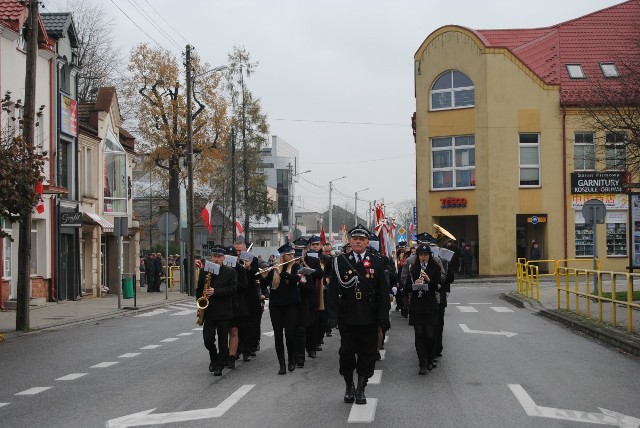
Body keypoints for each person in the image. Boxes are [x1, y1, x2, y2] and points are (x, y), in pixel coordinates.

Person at [327, 224, 390, 405]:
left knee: (367, 353)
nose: (358, 242)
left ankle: (361, 389)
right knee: (346, 353)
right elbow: (332, 290)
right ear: (350, 241)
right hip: (347, 315)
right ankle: (349, 385)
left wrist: (383, 317)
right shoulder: (340, 261)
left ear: (367, 242)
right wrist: (331, 313)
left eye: (361, 239)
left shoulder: (377, 261)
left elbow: (383, 293)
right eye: (355, 239)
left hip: (369, 315)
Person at [196, 245, 238, 376]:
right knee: (208, 339)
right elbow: (199, 290)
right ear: (211, 257)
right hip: (209, 311)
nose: (216, 259)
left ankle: (219, 365)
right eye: (214, 256)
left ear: (224, 258)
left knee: (222, 340)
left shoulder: (231, 272)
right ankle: (214, 357)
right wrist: (199, 304)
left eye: (219, 257)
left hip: (224, 311)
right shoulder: (205, 271)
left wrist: (216, 291)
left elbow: (233, 290)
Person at [405, 244, 441, 375]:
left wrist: (428, 280)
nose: (423, 257)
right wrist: (415, 284)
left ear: (429, 255)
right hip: (417, 306)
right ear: (418, 256)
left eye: (426, 255)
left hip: (430, 305)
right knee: (419, 334)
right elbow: (406, 287)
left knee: (430, 335)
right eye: (421, 255)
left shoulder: (435, 267)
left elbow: (438, 286)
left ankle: (431, 358)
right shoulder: (413, 268)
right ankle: (422, 362)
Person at [269, 243, 303, 374]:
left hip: (291, 304)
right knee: (278, 335)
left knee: (289, 333)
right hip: (276, 305)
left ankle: (292, 359)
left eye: (292, 254)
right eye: (289, 254)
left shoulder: (295, 266)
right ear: (283, 256)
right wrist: (265, 275)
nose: (292, 256)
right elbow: (265, 283)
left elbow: (295, 279)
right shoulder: (275, 267)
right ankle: (281, 363)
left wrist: (281, 273)